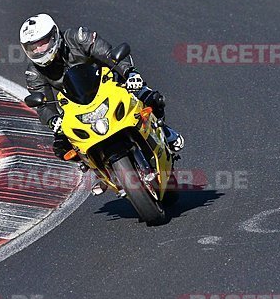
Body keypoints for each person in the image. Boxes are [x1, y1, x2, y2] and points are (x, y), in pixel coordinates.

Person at [20, 14, 184, 192]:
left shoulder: (78, 37)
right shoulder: (34, 72)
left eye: (42, 43)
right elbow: (42, 104)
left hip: (108, 83)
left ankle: (164, 130)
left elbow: (109, 54)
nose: (39, 50)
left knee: (151, 97)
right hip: (76, 102)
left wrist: (130, 73)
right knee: (61, 146)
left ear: (54, 35)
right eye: (33, 47)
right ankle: (97, 169)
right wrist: (52, 120)